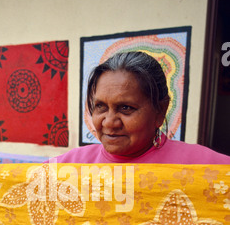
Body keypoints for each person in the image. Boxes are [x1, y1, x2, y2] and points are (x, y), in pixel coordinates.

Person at [50, 51, 230, 164]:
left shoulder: (204, 167)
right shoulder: (68, 168)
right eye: (100, 107)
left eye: (126, 108)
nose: (110, 122)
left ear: (160, 110)